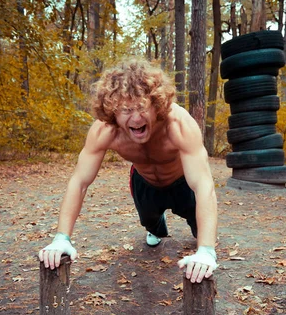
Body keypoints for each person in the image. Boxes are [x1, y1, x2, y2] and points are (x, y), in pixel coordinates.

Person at [38, 59, 218, 283]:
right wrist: (61, 238)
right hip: (145, 183)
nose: (136, 118)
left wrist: (206, 250)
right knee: (152, 226)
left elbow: (203, 185)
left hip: (183, 183)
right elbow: (80, 182)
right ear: (113, 112)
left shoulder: (178, 124)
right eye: (126, 110)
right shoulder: (105, 131)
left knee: (199, 234)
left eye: (142, 107)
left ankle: (199, 236)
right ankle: (155, 224)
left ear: (156, 105)